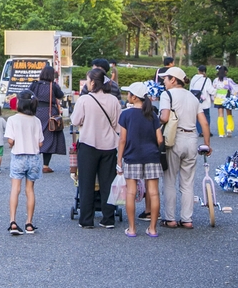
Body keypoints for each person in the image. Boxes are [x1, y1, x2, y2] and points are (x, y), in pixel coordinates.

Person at [160, 66, 211, 228]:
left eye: (166, 79)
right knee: (187, 182)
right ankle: (187, 219)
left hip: (174, 139)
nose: (164, 82)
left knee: (169, 180)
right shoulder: (192, 97)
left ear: (173, 80)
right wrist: (207, 145)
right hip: (191, 139)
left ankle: (170, 218)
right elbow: (203, 122)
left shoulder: (166, 94)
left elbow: (165, 117)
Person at [71, 67, 121, 229]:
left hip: (88, 144)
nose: (86, 83)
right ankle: (108, 218)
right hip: (109, 146)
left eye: (87, 80)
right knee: (107, 182)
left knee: (86, 182)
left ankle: (86, 219)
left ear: (93, 82)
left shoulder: (84, 100)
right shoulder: (113, 100)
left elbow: (75, 120)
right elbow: (117, 125)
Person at [117, 82, 164, 238]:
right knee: (154, 193)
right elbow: (159, 139)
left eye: (128, 93)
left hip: (132, 156)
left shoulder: (126, 114)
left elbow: (122, 140)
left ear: (134, 97)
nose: (127, 96)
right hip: (152, 157)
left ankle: (132, 229)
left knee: (130, 193)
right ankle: (152, 229)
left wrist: (119, 160)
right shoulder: (153, 115)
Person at [5, 92, 43, 235]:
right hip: (33, 157)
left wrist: (13, 143)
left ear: (19, 103)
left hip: (18, 156)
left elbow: (10, 140)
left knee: (15, 188)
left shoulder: (13, 120)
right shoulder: (36, 120)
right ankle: (29, 223)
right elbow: (40, 142)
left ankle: (13, 221)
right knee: (30, 190)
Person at [29, 64, 66, 173]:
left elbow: (27, 95)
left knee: (34, 137)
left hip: (35, 112)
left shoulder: (35, 85)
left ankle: (32, 163)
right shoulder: (53, 86)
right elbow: (61, 95)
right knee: (48, 138)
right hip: (49, 113)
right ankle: (45, 165)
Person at [213, 65, 238, 138]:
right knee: (229, 113)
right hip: (227, 98)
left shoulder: (215, 80)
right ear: (225, 72)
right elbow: (235, 88)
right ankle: (229, 128)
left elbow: (213, 89)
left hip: (218, 99)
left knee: (220, 115)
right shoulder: (228, 80)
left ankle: (221, 133)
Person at [189, 65, 215, 138]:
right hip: (205, 101)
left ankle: (200, 131)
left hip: (195, 100)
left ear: (198, 70)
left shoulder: (194, 78)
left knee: (197, 116)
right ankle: (206, 131)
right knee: (206, 115)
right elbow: (211, 90)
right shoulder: (207, 79)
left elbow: (190, 89)